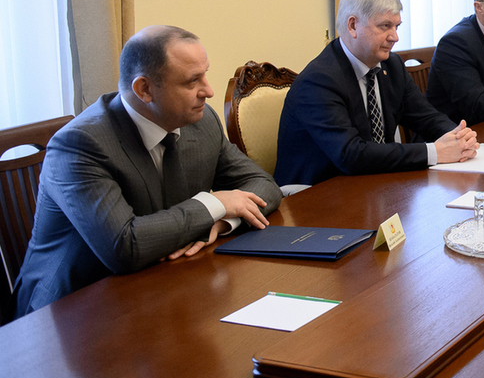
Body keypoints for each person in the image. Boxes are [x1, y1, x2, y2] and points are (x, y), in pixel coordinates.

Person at [15, 26, 283, 317]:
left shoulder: (201, 122)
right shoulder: (81, 145)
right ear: (144, 89)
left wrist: (220, 221)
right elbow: (124, 248)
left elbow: (262, 184)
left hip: (161, 285)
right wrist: (216, 203)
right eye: (193, 81)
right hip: (72, 311)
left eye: (204, 74)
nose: (209, 90)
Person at [274, 0, 478, 186]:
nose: (395, 37)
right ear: (353, 25)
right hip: (317, 195)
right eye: (385, 26)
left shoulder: (392, 65)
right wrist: (434, 152)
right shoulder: (319, 81)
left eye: (397, 26)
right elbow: (351, 154)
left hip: (374, 184)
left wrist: (458, 137)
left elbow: (426, 117)